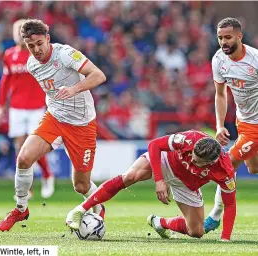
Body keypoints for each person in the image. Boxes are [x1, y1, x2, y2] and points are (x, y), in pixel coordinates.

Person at [0, 19, 106, 232]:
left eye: (39, 43)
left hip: (82, 123)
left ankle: (98, 207)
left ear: (48, 39)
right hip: (55, 117)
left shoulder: (66, 54)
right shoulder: (31, 64)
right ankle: (20, 208)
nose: (36, 50)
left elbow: (98, 75)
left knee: (81, 185)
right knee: (24, 158)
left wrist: (74, 89)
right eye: (31, 46)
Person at [67, 130, 236, 241]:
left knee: (197, 232)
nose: (192, 161)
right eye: (192, 156)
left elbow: (230, 204)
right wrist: (159, 180)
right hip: (167, 162)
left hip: (186, 184)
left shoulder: (225, 171)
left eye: (198, 162)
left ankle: (160, 222)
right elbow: (155, 145)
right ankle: (80, 209)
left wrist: (225, 239)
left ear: (212, 162)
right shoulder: (188, 139)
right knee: (131, 175)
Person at [204, 17, 258, 233]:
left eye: (227, 37)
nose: (223, 42)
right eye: (220, 38)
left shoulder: (255, 60)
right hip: (242, 121)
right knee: (254, 168)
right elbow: (220, 94)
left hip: (256, 126)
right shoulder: (218, 60)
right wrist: (219, 125)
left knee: (227, 163)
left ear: (239, 36)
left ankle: (214, 216)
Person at [0, 19, 55, 199]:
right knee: (20, 148)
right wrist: (0, 106)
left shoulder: (37, 55)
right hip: (16, 107)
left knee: (34, 146)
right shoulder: (9, 55)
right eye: (15, 32)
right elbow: (5, 82)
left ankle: (46, 175)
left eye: (20, 32)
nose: (17, 36)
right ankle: (26, 189)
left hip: (36, 106)